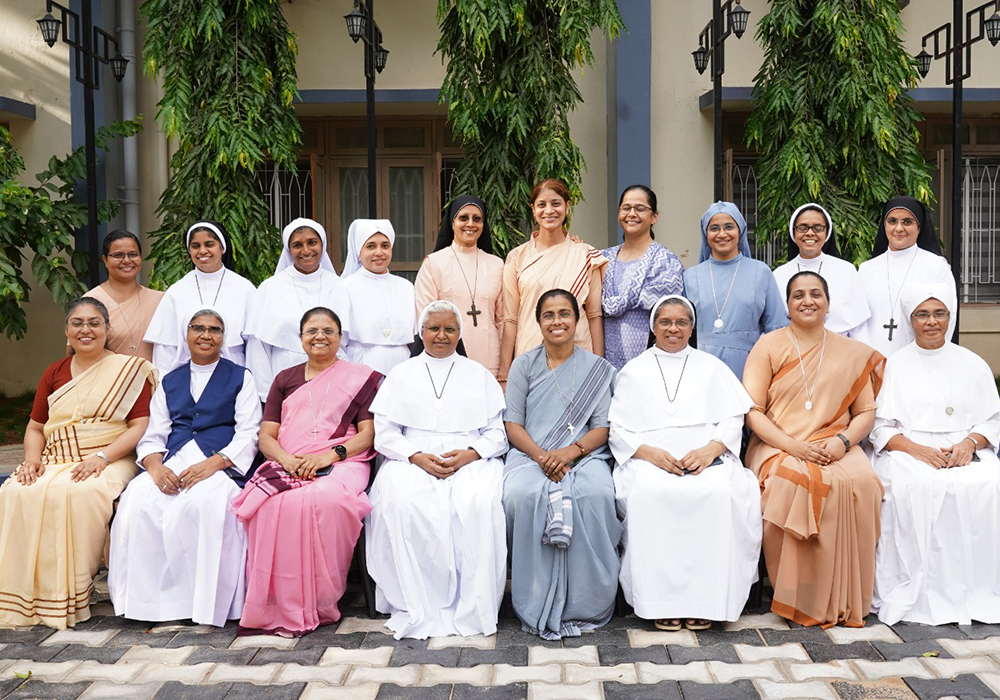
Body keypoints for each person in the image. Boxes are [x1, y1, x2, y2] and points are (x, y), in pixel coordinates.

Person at [0, 298, 155, 628]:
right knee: (16, 491)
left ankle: (69, 595)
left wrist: (101, 457)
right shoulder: (54, 371)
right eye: (78, 323)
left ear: (107, 329)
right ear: (67, 331)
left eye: (94, 323)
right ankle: (25, 595)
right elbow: (35, 427)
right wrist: (31, 460)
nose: (86, 330)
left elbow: (140, 426)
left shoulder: (130, 370)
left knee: (80, 493)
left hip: (112, 456)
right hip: (55, 458)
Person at [743, 271, 885, 628]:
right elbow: (751, 411)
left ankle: (848, 597)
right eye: (799, 295)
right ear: (788, 305)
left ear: (828, 304)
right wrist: (794, 446)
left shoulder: (850, 352)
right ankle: (797, 594)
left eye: (816, 294)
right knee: (790, 484)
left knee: (863, 483)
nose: (808, 301)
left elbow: (866, 412)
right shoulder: (769, 345)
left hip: (837, 443)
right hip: (778, 445)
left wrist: (842, 443)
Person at [610, 295, 761, 631]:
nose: (673, 329)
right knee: (648, 494)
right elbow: (618, 428)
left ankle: (707, 601)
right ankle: (660, 602)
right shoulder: (634, 371)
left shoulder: (712, 367)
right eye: (665, 322)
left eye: (681, 322)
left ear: (692, 328)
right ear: (653, 327)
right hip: (650, 460)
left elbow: (734, 418)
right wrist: (648, 453)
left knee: (720, 493)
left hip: (705, 459)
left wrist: (711, 450)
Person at [233, 307, 381, 636]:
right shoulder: (284, 379)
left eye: (328, 331)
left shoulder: (360, 378)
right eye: (312, 331)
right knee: (268, 505)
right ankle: (278, 604)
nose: (320, 337)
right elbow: (266, 437)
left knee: (327, 499)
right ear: (301, 339)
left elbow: (367, 434)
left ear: (340, 338)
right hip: (289, 459)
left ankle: (322, 599)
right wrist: (286, 460)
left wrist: (331, 455)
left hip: (344, 461)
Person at [367, 300, 508, 639]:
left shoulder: (479, 375)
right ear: (421, 332)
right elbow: (384, 434)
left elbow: (497, 433)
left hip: (469, 458)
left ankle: (472, 605)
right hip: (411, 457)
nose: (441, 336)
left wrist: (471, 454)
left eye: (449, 329)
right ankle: (415, 601)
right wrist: (415, 455)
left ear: (459, 334)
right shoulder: (402, 373)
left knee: (480, 503)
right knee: (401, 503)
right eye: (434, 328)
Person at [109, 310, 260, 626]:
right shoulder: (170, 379)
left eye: (214, 329)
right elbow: (154, 434)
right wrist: (154, 469)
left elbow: (249, 432)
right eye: (198, 328)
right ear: (186, 334)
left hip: (220, 463)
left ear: (223, 337)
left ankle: (202, 603)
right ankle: (148, 603)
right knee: (139, 502)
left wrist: (214, 464)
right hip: (173, 460)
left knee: (203, 504)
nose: (206, 335)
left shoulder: (240, 377)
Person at [871, 285, 1000, 625]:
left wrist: (971, 443)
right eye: (923, 315)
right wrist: (916, 450)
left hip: (963, 450)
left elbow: (992, 419)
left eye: (939, 314)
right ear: (910, 320)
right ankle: (922, 589)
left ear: (950, 317)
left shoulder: (972, 363)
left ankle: (977, 588)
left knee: (989, 483)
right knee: (915, 487)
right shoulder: (894, 365)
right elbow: (880, 427)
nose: (932, 322)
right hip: (909, 451)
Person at [502, 289, 620, 640]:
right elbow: (512, 424)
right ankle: (536, 597)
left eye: (564, 314)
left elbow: (603, 427)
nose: (557, 321)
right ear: (538, 323)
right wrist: (542, 457)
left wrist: (570, 453)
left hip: (584, 456)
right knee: (520, 496)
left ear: (577, 319)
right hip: (529, 455)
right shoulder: (523, 365)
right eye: (548, 315)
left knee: (595, 494)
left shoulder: (598, 369)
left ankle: (588, 602)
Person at [499, 179, 607, 384]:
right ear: (533, 209)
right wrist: (505, 373)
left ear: (567, 206)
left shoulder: (585, 254)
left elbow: (594, 315)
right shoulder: (517, 257)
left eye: (556, 203)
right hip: (530, 356)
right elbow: (510, 318)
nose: (549, 211)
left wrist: (599, 365)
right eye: (542, 204)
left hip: (579, 356)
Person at [684, 202, 787, 380]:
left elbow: (777, 328)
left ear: (740, 231)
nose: (722, 234)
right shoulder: (690, 275)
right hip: (698, 369)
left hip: (749, 367)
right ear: (705, 234)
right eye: (714, 228)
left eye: (729, 227)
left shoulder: (761, 272)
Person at [245, 218, 342, 400]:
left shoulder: (340, 286)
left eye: (312, 242)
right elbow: (258, 349)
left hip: (332, 376)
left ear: (323, 245)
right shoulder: (270, 288)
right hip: (283, 374)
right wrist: (266, 395)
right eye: (297, 245)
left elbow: (348, 344)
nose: (306, 251)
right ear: (289, 250)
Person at [144, 220, 257, 373]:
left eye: (209, 244)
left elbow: (255, 346)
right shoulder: (177, 291)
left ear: (222, 248)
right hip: (188, 370)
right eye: (195, 246)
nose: (202, 251)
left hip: (233, 368)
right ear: (189, 250)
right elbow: (165, 347)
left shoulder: (244, 288)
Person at [415, 196, 504, 377]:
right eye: (463, 218)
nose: (470, 224)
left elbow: (502, 320)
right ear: (452, 222)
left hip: (489, 359)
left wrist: (504, 366)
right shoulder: (434, 263)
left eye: (477, 219)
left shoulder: (497, 265)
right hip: (445, 358)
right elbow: (424, 318)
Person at [858, 196, 955, 357]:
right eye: (892, 221)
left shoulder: (936, 266)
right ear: (884, 225)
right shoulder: (866, 270)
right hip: (872, 363)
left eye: (907, 222)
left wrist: (931, 355)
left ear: (919, 226)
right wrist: (868, 359)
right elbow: (858, 321)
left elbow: (947, 318)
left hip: (920, 361)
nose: (899, 228)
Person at [601, 185, 685, 370]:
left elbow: (671, 318)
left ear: (654, 216)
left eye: (640, 209)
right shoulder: (601, 260)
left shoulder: (667, 263)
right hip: (605, 362)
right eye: (626, 208)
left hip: (651, 364)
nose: (632, 214)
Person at [771, 204, 870, 338]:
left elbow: (859, 328)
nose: (810, 233)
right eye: (802, 228)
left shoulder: (846, 270)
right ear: (793, 232)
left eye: (817, 228)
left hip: (838, 351)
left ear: (827, 232)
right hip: (794, 350)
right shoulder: (779, 275)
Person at [334, 219, 415, 376]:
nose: (379, 252)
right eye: (371, 246)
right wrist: (350, 377)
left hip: (403, 369)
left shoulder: (406, 287)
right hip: (360, 370)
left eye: (385, 246)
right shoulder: (346, 288)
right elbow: (338, 345)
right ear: (359, 251)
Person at [79, 229, 164, 360]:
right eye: (118, 255)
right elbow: (78, 353)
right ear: (105, 260)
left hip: (153, 378)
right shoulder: (90, 302)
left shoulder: (160, 300)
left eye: (133, 254)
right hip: (108, 379)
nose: (126, 260)